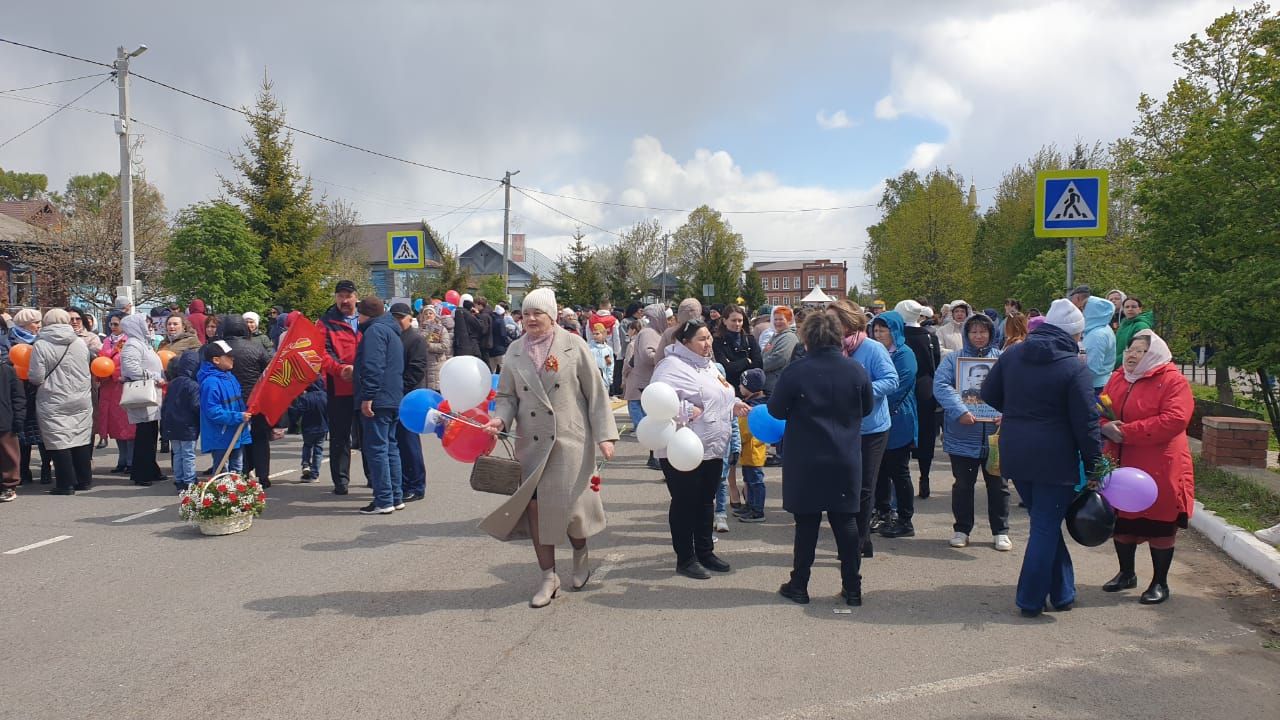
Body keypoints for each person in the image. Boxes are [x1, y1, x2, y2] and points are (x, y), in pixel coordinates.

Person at [478, 287, 619, 607]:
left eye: (537, 313)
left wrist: (605, 436)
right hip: (532, 443)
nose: (529, 319)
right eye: (525, 313)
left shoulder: (574, 345)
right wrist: (500, 421)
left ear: (552, 315)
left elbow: (595, 392)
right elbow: (507, 397)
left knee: (570, 510)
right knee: (537, 509)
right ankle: (548, 577)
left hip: (570, 439)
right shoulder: (514, 351)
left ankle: (580, 552)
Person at [982, 298, 1102, 617]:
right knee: (1045, 527)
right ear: (1072, 334)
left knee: (1044, 522)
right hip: (1055, 457)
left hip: (1016, 452)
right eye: (1079, 335)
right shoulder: (1074, 367)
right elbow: (1087, 421)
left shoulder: (1013, 354)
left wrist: (1017, 412)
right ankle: (1030, 599)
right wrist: (1095, 465)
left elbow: (988, 392)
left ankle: (1063, 592)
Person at [769, 312, 874, 606]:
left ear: (807, 338)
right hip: (844, 455)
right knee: (846, 523)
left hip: (807, 457)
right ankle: (852, 587)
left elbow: (776, 411)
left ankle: (799, 584)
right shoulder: (855, 369)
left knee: (807, 524)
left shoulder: (796, 371)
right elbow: (867, 407)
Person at [649, 317, 750, 580]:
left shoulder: (709, 367)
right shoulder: (670, 366)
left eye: (709, 338)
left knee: (706, 501)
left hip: (713, 446)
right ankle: (685, 558)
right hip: (683, 448)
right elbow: (658, 401)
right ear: (685, 343)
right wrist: (684, 410)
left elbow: (719, 395)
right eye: (701, 339)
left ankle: (705, 551)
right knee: (685, 503)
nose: (708, 344)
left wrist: (734, 404)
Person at [1100, 330, 1194, 605]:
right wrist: (1105, 428)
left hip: (1159, 464)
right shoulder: (1119, 377)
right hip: (1120, 460)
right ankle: (1126, 573)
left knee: (1160, 523)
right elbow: (1099, 410)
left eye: (1139, 351)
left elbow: (1175, 419)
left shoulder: (1172, 381)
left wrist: (1128, 432)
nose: (1131, 354)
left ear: (1153, 354)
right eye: (1130, 349)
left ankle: (1159, 582)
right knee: (1122, 521)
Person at [934, 312, 1010, 551]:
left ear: (991, 333)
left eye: (983, 331)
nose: (978, 336)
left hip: (996, 435)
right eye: (973, 332)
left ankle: (1000, 530)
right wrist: (960, 411)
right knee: (963, 485)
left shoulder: (1003, 359)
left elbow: (1016, 388)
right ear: (966, 334)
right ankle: (962, 529)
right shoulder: (954, 360)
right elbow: (941, 385)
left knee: (998, 485)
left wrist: (1006, 413)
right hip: (963, 433)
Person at [828, 300, 897, 557]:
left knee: (864, 487)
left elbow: (892, 381)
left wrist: (862, 392)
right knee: (844, 485)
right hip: (841, 429)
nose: (831, 325)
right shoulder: (829, 350)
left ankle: (857, 544)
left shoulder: (872, 348)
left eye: (835, 320)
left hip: (872, 429)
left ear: (849, 321)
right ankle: (858, 540)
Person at [25, 309, 93, 495]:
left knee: (59, 439)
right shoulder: (79, 342)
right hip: (81, 397)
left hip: (53, 398)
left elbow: (37, 376)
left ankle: (65, 483)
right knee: (79, 437)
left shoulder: (41, 344)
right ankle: (84, 480)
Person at [353, 297, 405, 515]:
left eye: (359, 314)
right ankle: (395, 495)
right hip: (393, 396)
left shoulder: (374, 332)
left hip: (379, 398)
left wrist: (368, 396)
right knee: (391, 447)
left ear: (366, 314)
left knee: (377, 449)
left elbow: (373, 365)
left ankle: (383, 500)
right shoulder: (392, 331)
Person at [871, 311, 919, 539]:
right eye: (876, 330)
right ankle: (883, 511)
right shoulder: (876, 351)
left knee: (899, 471)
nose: (879, 334)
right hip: (878, 416)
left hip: (899, 417)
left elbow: (898, 386)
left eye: (883, 330)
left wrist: (869, 400)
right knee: (879, 470)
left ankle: (905, 518)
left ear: (895, 331)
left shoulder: (904, 354)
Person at [316, 280, 362, 495]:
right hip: (339, 386)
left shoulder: (366, 319)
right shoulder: (325, 323)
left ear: (356, 296)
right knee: (340, 437)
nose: (344, 300)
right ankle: (341, 481)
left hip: (365, 386)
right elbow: (321, 353)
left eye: (348, 295)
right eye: (340, 296)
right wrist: (340, 369)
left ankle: (374, 478)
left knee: (368, 436)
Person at [218, 314, 273, 487]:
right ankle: (263, 476)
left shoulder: (218, 349)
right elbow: (270, 370)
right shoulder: (256, 348)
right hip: (255, 399)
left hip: (229, 400)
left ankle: (240, 472)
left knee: (235, 438)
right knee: (259, 438)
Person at [896, 300, 941, 499]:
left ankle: (901, 476)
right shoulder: (930, 336)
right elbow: (935, 364)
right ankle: (925, 476)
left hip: (904, 385)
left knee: (900, 433)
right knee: (926, 434)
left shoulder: (898, 337)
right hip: (926, 388)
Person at [119, 314, 165, 487]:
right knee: (144, 434)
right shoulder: (133, 345)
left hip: (151, 393)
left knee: (151, 433)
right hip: (143, 394)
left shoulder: (144, 343)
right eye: (147, 323)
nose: (150, 326)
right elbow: (131, 369)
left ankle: (150, 468)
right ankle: (142, 472)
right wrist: (154, 376)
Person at [391, 302, 428, 503]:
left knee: (409, 442)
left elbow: (416, 370)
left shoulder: (415, 339)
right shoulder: (393, 337)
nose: (397, 321)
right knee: (397, 443)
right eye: (394, 317)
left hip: (410, 399)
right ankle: (403, 483)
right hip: (394, 397)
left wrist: (400, 389)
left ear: (409, 318)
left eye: (401, 317)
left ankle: (416, 485)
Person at [9, 308, 51, 486]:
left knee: (42, 433)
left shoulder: (41, 341)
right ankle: (23, 471)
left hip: (38, 389)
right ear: (24, 324)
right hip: (18, 390)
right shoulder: (10, 340)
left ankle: (46, 470)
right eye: (35, 322)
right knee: (22, 434)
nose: (38, 326)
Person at [623, 303, 667, 470]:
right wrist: (667, 353)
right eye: (667, 318)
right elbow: (649, 355)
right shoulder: (649, 333)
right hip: (647, 382)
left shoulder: (655, 332)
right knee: (653, 420)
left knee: (655, 420)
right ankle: (654, 455)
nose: (670, 321)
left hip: (651, 381)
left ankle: (654, 455)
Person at [198, 341, 252, 474]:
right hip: (221, 434)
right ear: (216, 360)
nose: (232, 358)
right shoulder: (210, 382)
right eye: (228, 356)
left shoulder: (230, 377)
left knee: (237, 467)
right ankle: (223, 493)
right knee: (222, 469)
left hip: (237, 431)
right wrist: (238, 416)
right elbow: (212, 411)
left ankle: (237, 493)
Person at [97, 312, 135, 472]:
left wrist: (115, 373)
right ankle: (122, 459)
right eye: (111, 324)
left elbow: (128, 363)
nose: (112, 327)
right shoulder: (106, 341)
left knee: (127, 425)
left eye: (116, 324)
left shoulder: (129, 341)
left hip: (122, 387)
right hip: (108, 388)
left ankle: (131, 460)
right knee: (114, 425)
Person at [161, 350, 201, 493]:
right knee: (188, 454)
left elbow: (165, 405)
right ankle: (190, 480)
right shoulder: (194, 385)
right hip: (188, 425)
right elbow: (197, 406)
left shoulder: (173, 383)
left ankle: (179, 480)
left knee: (178, 453)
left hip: (172, 424)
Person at [734, 368, 769, 523]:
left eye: (742, 385)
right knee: (749, 480)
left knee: (755, 481)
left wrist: (736, 439)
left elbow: (746, 432)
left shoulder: (752, 409)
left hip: (753, 451)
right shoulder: (752, 405)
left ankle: (757, 510)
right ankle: (750, 505)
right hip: (749, 452)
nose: (739, 387)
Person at [713, 304, 763, 397]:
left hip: (750, 392)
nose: (737, 324)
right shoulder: (718, 341)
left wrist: (734, 364)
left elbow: (758, 365)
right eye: (733, 320)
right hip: (730, 390)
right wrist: (746, 361)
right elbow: (726, 368)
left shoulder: (750, 339)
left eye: (740, 320)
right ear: (724, 321)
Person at [0, 341, 23, 502]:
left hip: (4, 418)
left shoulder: (7, 371)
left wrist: (19, 419)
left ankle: (9, 485)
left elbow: (18, 397)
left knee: (8, 454)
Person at [293, 379, 328, 482]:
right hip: (322, 427)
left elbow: (298, 411)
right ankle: (314, 473)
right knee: (318, 450)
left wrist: (294, 422)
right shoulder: (325, 396)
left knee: (307, 446)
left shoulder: (305, 398)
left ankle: (305, 464)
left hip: (308, 427)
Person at [761, 306, 797, 394]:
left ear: (789, 320)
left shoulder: (789, 337)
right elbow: (764, 352)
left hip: (776, 385)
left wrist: (759, 365)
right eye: (775, 319)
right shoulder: (776, 335)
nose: (777, 322)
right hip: (769, 384)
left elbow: (779, 358)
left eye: (781, 319)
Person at [1114, 297, 1154, 369]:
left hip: (1131, 367)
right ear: (1123, 310)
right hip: (1119, 367)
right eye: (1127, 307)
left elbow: (1138, 350)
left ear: (1140, 309)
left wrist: (1114, 363)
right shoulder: (1123, 324)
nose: (1130, 309)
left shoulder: (1141, 326)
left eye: (1134, 306)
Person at [453, 294, 485, 359]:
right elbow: (480, 326)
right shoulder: (466, 313)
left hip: (458, 345)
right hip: (469, 347)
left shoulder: (455, 312)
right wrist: (477, 314)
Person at [587, 323, 614, 390]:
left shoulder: (608, 349)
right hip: (591, 378)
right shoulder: (588, 348)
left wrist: (609, 378)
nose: (595, 336)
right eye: (593, 334)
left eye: (597, 334)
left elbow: (610, 365)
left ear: (603, 334)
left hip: (604, 379)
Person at [489, 303, 512, 373]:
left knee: (491, 370)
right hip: (500, 350)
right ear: (502, 314)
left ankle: (491, 383)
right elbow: (503, 335)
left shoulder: (489, 319)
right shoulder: (500, 321)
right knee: (503, 370)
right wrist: (507, 343)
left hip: (490, 349)